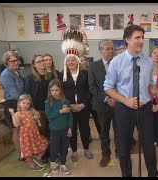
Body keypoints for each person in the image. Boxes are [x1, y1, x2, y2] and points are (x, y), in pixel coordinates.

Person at [103, 24, 158, 177]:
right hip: (124, 110)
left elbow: (150, 84)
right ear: (127, 39)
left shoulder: (147, 61)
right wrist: (125, 100)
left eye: (142, 38)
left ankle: (153, 174)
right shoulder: (116, 62)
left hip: (145, 109)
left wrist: (157, 93)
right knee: (124, 148)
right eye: (137, 38)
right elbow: (108, 87)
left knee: (148, 146)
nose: (141, 41)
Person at [59, 28, 94, 162]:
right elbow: (61, 92)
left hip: (83, 107)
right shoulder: (62, 75)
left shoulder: (85, 74)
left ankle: (86, 149)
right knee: (71, 130)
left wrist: (83, 104)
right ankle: (74, 151)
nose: (71, 62)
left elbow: (89, 90)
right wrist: (70, 105)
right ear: (66, 62)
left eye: (73, 60)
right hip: (70, 108)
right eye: (68, 61)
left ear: (77, 61)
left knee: (85, 129)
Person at [88, 39, 119, 166]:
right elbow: (92, 87)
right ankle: (106, 154)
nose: (111, 51)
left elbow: (124, 84)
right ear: (101, 51)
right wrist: (107, 99)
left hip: (118, 103)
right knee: (104, 132)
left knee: (119, 130)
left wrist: (116, 98)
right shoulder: (93, 66)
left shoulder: (119, 64)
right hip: (102, 104)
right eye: (107, 49)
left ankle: (119, 151)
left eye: (112, 49)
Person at [25, 54, 55, 163]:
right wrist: (32, 110)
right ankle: (42, 156)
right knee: (41, 135)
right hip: (38, 111)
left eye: (42, 60)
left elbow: (55, 93)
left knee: (51, 133)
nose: (42, 63)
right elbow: (27, 96)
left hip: (50, 110)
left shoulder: (50, 76)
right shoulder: (30, 78)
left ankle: (52, 154)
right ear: (34, 65)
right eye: (38, 62)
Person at [8, 94, 48, 171]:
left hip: (34, 133)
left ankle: (38, 158)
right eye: (23, 103)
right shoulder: (18, 113)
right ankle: (31, 165)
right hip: (25, 135)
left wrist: (36, 117)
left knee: (44, 143)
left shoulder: (31, 111)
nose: (25, 105)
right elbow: (16, 125)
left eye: (28, 103)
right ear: (19, 103)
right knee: (28, 150)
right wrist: (13, 114)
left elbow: (35, 120)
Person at [0, 50, 25, 161]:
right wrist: (26, 102)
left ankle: (25, 151)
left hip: (21, 102)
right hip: (13, 104)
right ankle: (21, 155)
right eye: (12, 61)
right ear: (7, 62)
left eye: (16, 60)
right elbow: (15, 93)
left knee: (22, 130)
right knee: (16, 130)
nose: (15, 63)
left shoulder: (17, 72)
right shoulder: (5, 75)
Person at [45, 79, 73, 175]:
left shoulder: (66, 101)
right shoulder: (48, 102)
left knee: (64, 147)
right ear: (49, 91)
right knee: (54, 147)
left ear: (61, 90)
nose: (54, 92)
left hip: (65, 129)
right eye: (52, 90)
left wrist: (70, 127)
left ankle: (63, 163)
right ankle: (52, 162)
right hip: (54, 130)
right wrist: (60, 111)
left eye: (56, 90)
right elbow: (49, 116)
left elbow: (70, 116)